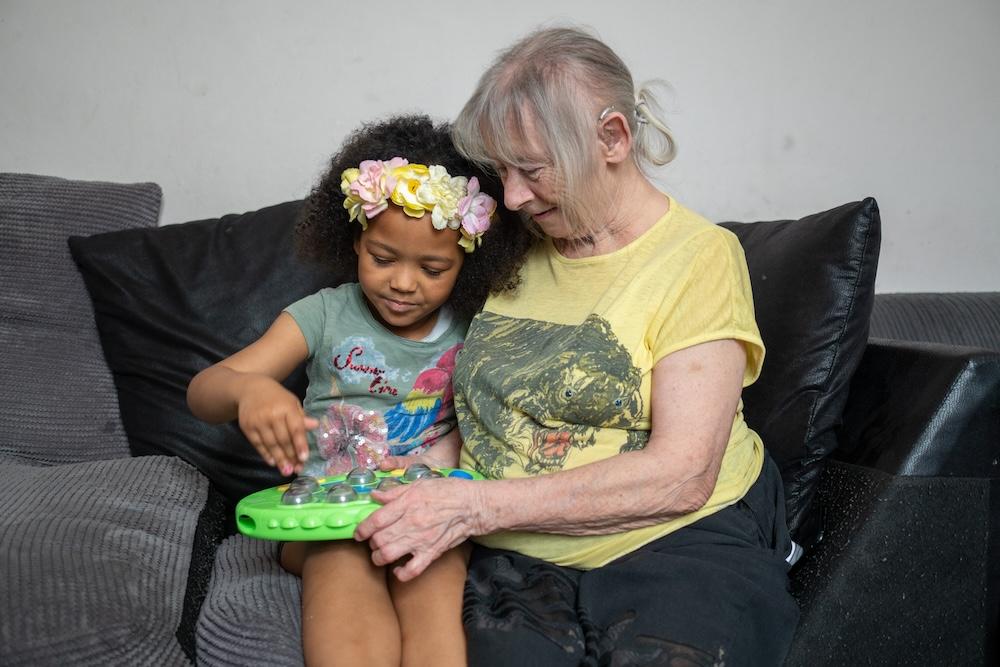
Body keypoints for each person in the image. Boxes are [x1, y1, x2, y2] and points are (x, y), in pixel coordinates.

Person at [356, 28, 801, 665]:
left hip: (674, 537)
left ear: (613, 138)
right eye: (501, 171)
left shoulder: (700, 257)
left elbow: (682, 476)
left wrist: (472, 505)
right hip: (514, 551)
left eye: (533, 170)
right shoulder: (505, 243)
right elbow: (471, 404)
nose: (510, 196)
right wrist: (408, 475)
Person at [186, 115, 529, 667]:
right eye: (383, 258)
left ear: (468, 263)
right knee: (346, 584)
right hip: (325, 521)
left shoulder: (476, 331)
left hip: (427, 515)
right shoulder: (323, 314)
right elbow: (205, 391)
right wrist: (248, 392)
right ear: (355, 241)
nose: (402, 282)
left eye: (433, 268)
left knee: (435, 603)